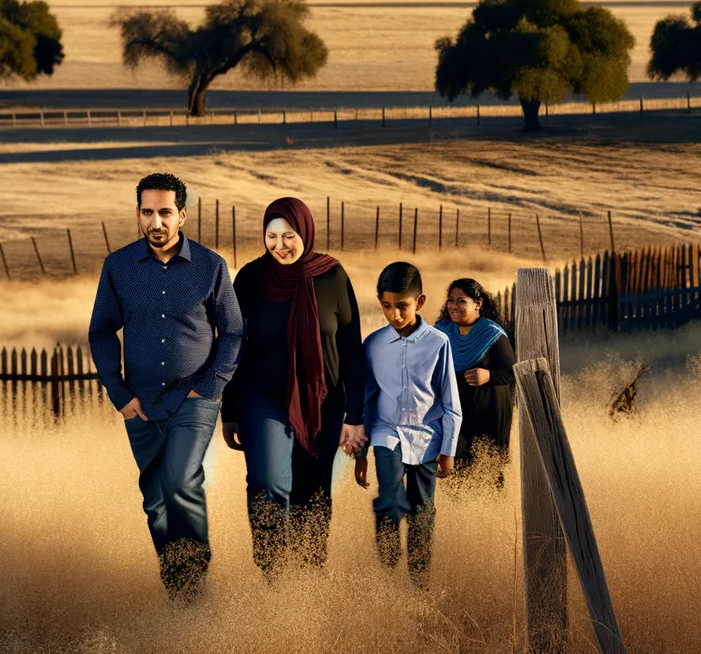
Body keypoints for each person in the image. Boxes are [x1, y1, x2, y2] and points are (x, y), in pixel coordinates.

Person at [88, 172, 243, 601]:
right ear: (137, 213)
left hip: (193, 397)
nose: (156, 222)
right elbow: (101, 332)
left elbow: (232, 333)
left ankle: (196, 582)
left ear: (183, 215)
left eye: (165, 212)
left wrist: (208, 387)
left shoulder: (211, 267)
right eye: (148, 212)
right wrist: (120, 395)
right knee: (155, 500)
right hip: (139, 402)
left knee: (179, 482)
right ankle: (178, 587)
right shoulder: (118, 267)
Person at [220, 197, 368, 576]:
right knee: (268, 482)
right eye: (272, 236)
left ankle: (308, 577)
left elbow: (351, 345)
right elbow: (233, 345)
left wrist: (356, 416)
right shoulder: (251, 279)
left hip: (324, 401)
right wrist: (231, 411)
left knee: (314, 490)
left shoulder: (333, 276)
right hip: (262, 397)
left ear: (305, 232)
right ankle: (273, 575)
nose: (280, 245)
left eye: (289, 235)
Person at [351, 262, 461, 587]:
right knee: (389, 498)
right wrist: (359, 453)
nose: (394, 314)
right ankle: (387, 568)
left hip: (428, 438)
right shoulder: (372, 345)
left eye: (402, 305)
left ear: (420, 302)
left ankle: (419, 579)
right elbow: (365, 400)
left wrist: (448, 450)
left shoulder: (438, 343)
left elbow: (450, 400)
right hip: (386, 434)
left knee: (423, 510)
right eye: (386, 306)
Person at [433, 278, 515, 481]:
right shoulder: (441, 331)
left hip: (489, 417)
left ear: (478, 303)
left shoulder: (492, 334)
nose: (454, 306)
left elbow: (512, 372)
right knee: (453, 471)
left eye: (461, 301)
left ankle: (492, 512)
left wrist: (489, 375)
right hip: (453, 415)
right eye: (451, 300)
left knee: (487, 472)